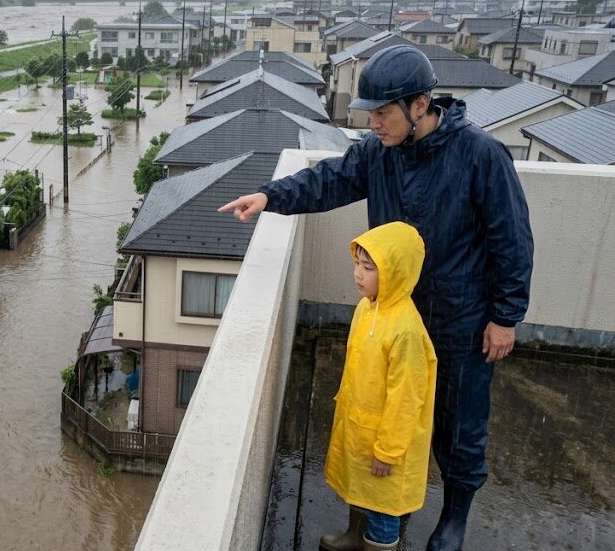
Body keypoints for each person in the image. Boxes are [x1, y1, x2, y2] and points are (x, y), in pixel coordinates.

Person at [217, 45, 534, 551]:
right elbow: (329, 180)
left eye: (383, 112)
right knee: (377, 418)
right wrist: (270, 196)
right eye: (370, 113)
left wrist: (505, 316)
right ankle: (371, 523)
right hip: (391, 314)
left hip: (460, 319)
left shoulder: (480, 155)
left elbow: (512, 241)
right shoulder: (377, 153)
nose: (374, 123)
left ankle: (454, 519)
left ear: (421, 104)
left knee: (458, 424)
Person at [322, 221, 437, 551]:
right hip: (361, 427)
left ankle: (378, 545)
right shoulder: (366, 307)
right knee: (360, 489)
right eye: (357, 263)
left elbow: (406, 398)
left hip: (386, 441)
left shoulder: (406, 331)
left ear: (396, 271)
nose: (358, 274)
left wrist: (388, 451)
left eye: (369, 268)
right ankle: (354, 536)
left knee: (383, 510)